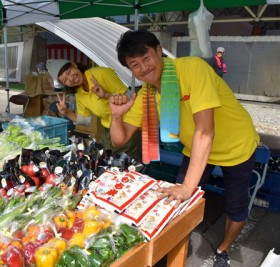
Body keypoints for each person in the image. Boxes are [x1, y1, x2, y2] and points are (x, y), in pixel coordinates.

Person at [109, 29, 259, 267]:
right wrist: (116, 116)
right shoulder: (146, 94)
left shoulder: (192, 69)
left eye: (146, 57)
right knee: (175, 200)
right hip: (197, 148)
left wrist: (188, 187)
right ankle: (174, 247)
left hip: (236, 145)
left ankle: (223, 250)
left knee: (235, 205)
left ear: (159, 51)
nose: (143, 68)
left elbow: (205, 131)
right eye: (135, 65)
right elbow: (119, 140)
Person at [46, 59, 142, 162]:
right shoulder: (80, 93)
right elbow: (86, 121)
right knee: (107, 162)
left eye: (69, 72)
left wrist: (105, 95)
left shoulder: (102, 73)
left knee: (128, 164)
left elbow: (130, 98)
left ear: (74, 65)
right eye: (65, 80)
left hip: (127, 126)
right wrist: (66, 112)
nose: (71, 79)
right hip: (108, 130)